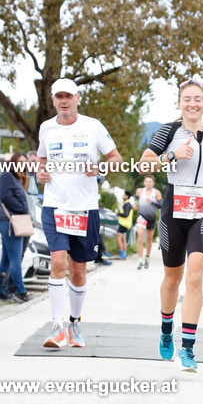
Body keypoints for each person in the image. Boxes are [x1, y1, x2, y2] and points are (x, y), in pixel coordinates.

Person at [138, 77, 203, 371]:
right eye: (187, 99)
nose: (193, 104)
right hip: (174, 211)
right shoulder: (169, 131)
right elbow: (144, 163)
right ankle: (167, 331)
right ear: (179, 104)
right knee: (172, 279)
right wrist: (172, 155)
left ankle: (188, 348)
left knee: (195, 276)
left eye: (198, 99)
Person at [37, 78, 122, 348]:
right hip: (54, 206)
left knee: (78, 271)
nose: (64, 101)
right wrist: (40, 171)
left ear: (78, 97)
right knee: (58, 263)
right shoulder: (46, 128)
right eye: (59, 96)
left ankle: (75, 324)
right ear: (53, 100)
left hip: (85, 209)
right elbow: (40, 159)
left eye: (69, 96)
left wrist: (100, 170)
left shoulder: (93, 126)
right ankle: (56, 327)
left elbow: (116, 160)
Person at [0, 152, 31, 303]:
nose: (23, 165)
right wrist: (22, 208)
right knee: (15, 258)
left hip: (12, 221)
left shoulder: (17, 178)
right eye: (20, 161)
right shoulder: (7, 176)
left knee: (7, 258)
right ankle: (20, 291)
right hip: (9, 222)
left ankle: (1, 291)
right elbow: (5, 197)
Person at [135, 174, 162, 269]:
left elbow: (161, 205)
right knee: (140, 237)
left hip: (151, 218)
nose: (148, 183)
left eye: (150, 182)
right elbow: (135, 198)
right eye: (146, 181)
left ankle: (147, 257)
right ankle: (139, 260)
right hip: (141, 216)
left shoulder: (156, 192)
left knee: (149, 240)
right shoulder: (140, 191)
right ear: (144, 183)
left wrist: (152, 202)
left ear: (153, 183)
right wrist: (135, 204)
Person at [116, 190, 134, 259]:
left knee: (118, 238)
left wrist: (118, 214)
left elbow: (125, 214)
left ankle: (122, 254)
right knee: (123, 239)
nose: (123, 196)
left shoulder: (127, 204)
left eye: (124, 195)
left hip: (123, 224)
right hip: (126, 224)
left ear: (126, 196)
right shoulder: (127, 204)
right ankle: (124, 255)